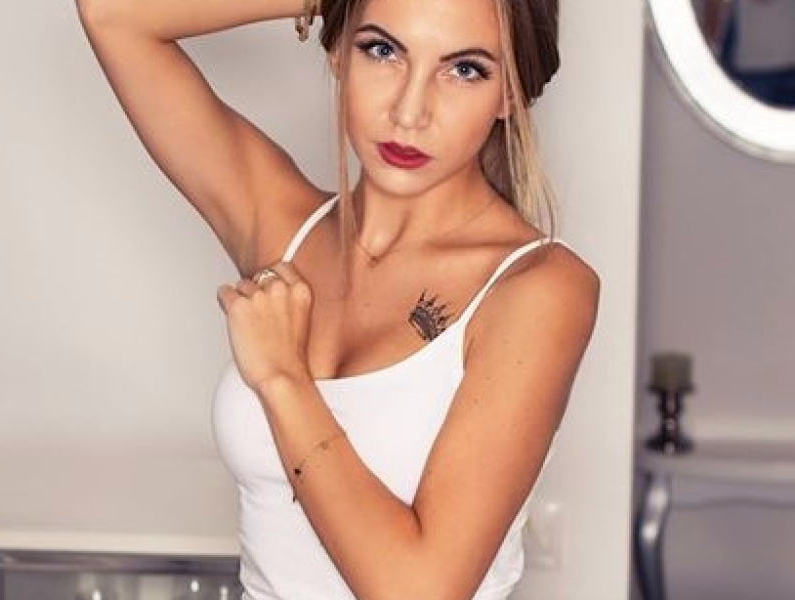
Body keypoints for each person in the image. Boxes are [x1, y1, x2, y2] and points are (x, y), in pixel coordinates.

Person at [76, 0, 599, 598]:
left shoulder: (538, 287)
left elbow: (418, 591)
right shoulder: (283, 228)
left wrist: (283, 379)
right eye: (383, 49)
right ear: (338, 52)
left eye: (464, 69)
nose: (409, 112)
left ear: (509, 93)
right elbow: (112, 15)